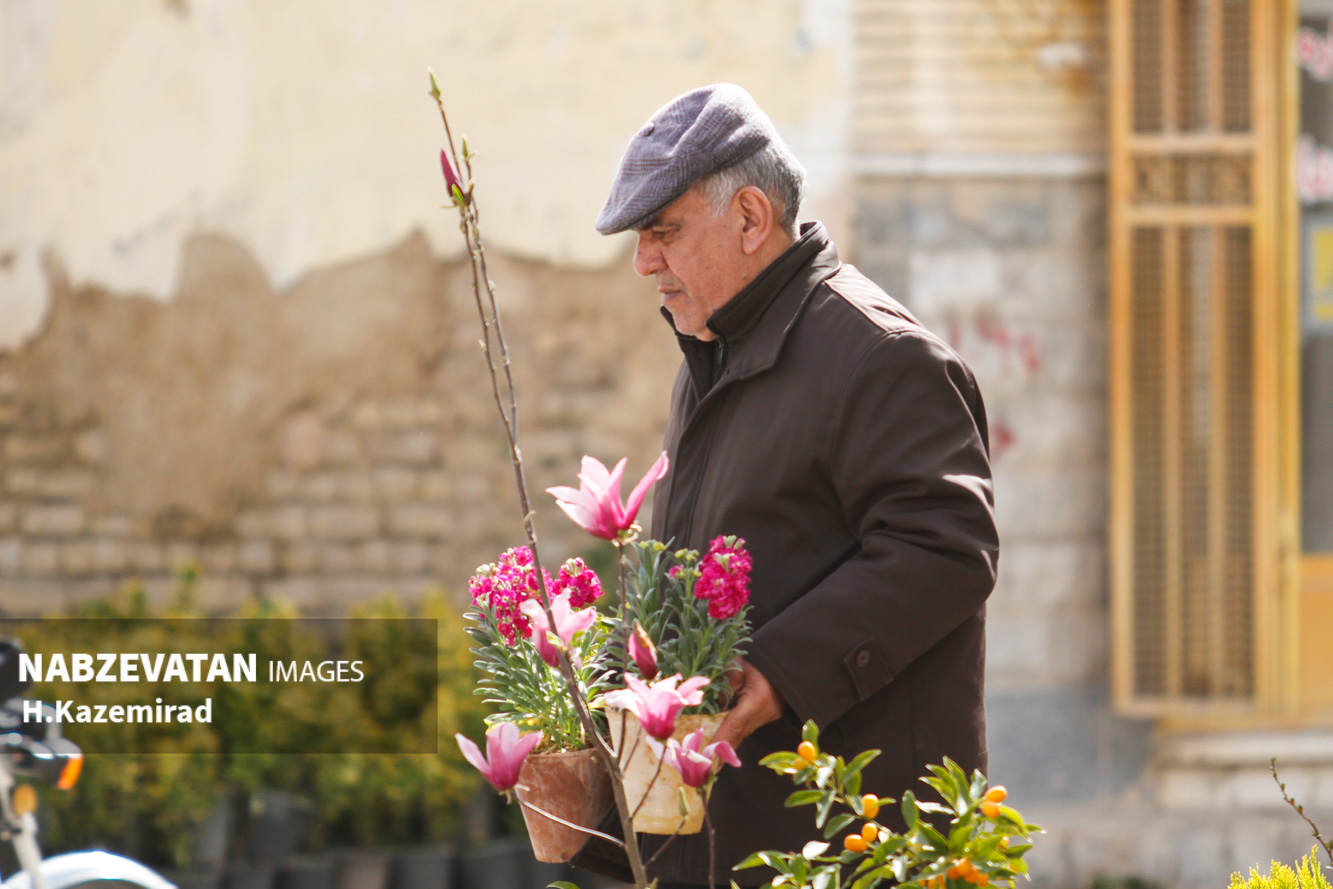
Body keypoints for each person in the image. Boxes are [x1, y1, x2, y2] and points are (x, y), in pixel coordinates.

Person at [574, 83, 998, 888]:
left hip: (849, 843)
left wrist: (773, 675)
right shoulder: (712, 354)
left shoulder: (882, 356)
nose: (642, 261)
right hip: (733, 835)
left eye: (662, 231)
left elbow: (944, 551)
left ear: (749, 218)